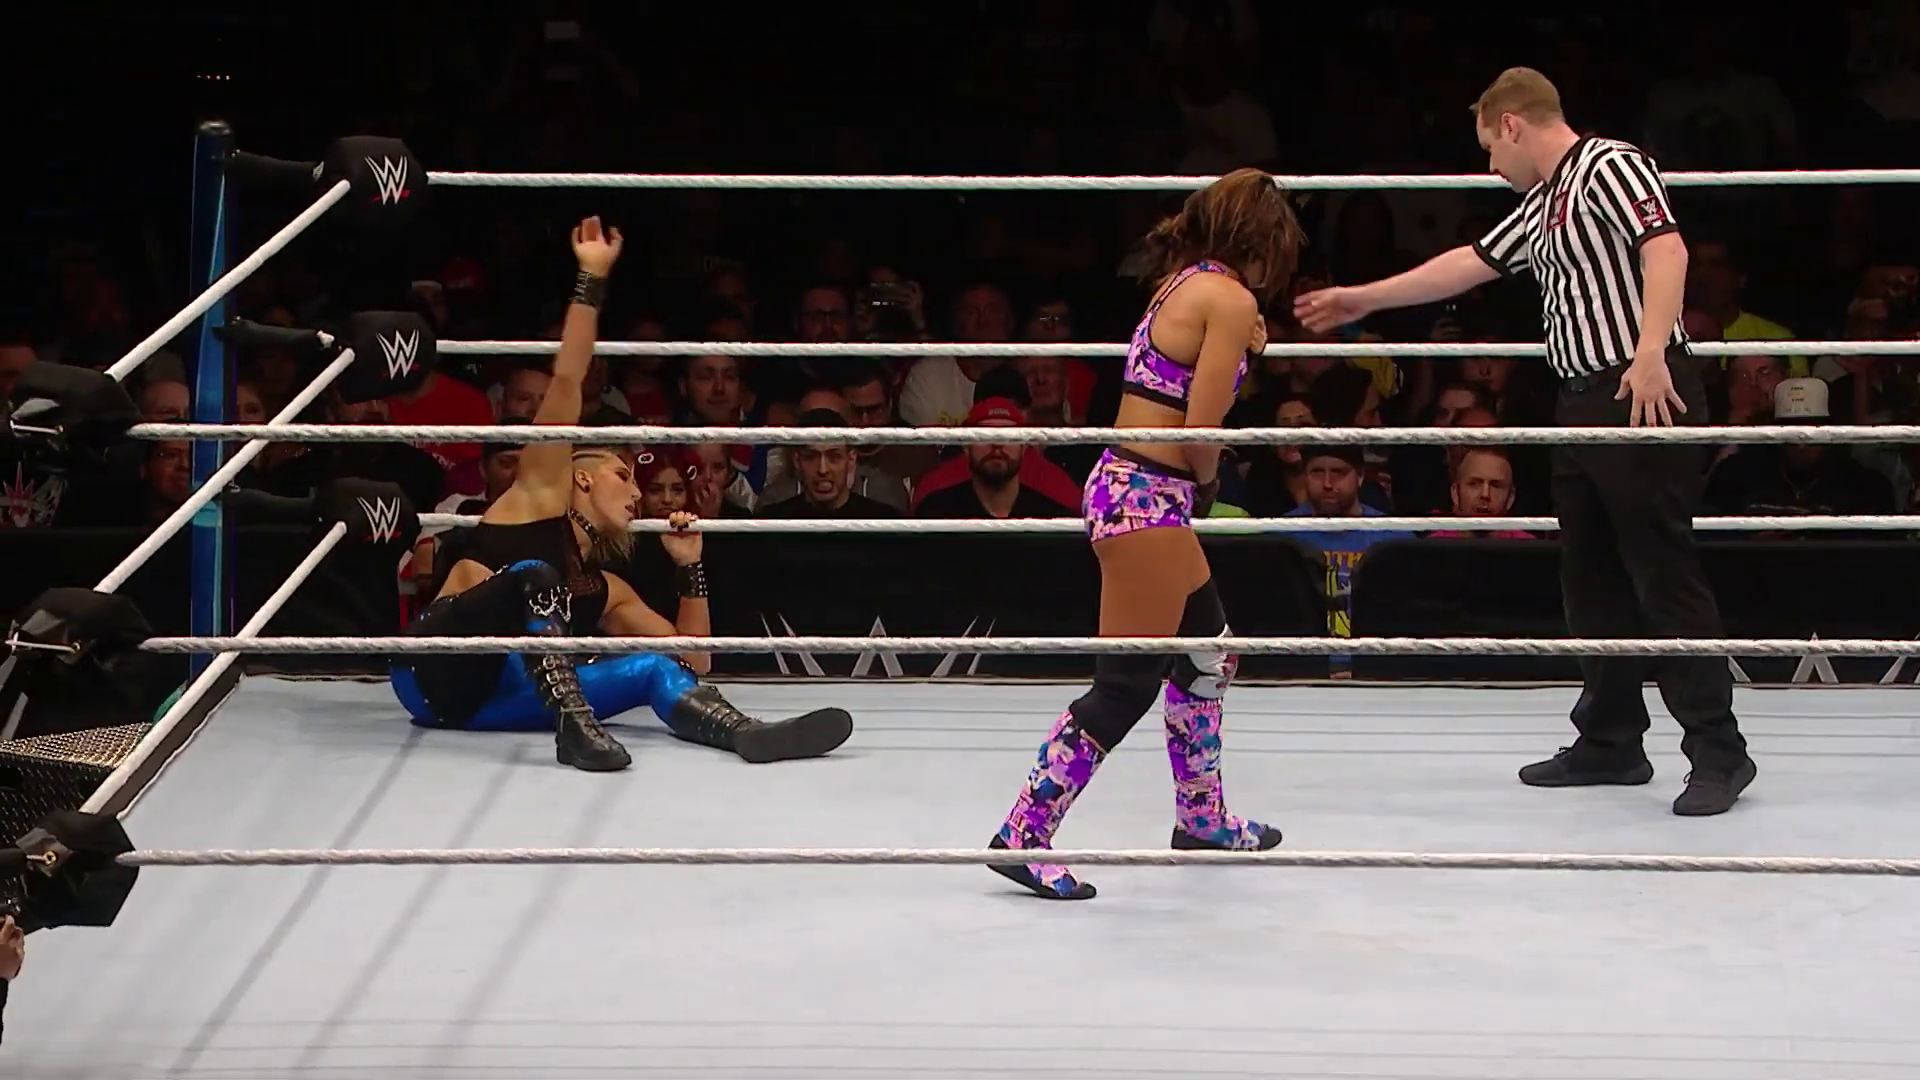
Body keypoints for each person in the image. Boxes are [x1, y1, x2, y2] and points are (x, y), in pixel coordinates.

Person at [1294, 67, 1755, 816]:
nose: (1490, 166)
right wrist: (1361, 298)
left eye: (1489, 148)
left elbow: (1667, 251)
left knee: (1660, 571)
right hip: (1580, 398)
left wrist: (1648, 352)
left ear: (1512, 124)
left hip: (1641, 389)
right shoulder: (1544, 205)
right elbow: (1465, 265)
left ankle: (1719, 751)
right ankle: (1611, 740)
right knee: (1590, 576)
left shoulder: (1609, 164)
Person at [390, 218, 854, 772]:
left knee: (654, 667)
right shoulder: (536, 497)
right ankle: (575, 729)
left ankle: (745, 734)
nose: (636, 492)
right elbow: (568, 379)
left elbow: (695, 657)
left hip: (499, 700)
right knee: (534, 574)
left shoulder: (605, 590)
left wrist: (689, 566)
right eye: (622, 475)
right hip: (434, 673)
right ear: (582, 477)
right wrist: (592, 275)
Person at [986, 168, 1302, 900]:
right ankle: (1022, 833)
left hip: (1138, 488)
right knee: (1125, 684)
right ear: (1264, 242)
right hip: (1146, 495)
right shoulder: (1229, 298)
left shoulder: (1185, 284)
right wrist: (1211, 482)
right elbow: (1202, 426)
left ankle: (1203, 819)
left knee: (1208, 655)